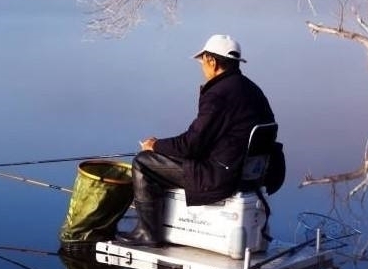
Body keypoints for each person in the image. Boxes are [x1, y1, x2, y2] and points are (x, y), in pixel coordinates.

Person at [116, 34, 276, 247]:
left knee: (143, 163)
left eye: (203, 62)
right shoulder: (251, 89)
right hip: (252, 175)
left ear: (213, 61)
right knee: (160, 158)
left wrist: (154, 146)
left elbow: (191, 145)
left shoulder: (218, 94)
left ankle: (148, 233)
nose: (202, 67)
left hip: (221, 175)